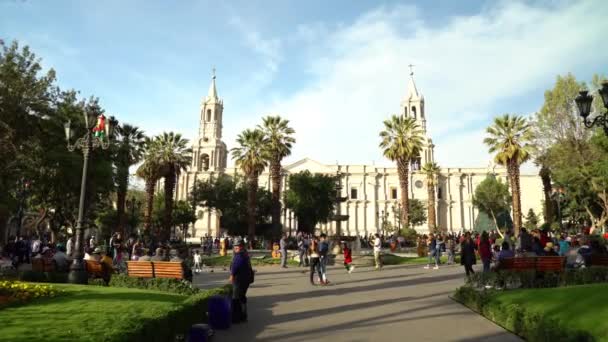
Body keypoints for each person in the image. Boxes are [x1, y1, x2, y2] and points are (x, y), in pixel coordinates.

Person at [229, 237, 254, 323]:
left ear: (242, 246)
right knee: (242, 297)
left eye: (238, 246)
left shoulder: (240, 255)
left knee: (236, 299)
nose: (236, 248)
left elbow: (235, 266)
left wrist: (232, 275)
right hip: (245, 279)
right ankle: (243, 316)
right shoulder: (245, 254)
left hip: (240, 280)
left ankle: (236, 318)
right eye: (235, 246)